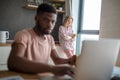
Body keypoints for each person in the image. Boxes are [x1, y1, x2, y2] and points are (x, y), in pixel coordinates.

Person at [7, 3, 76, 77]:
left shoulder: (50, 39)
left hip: (43, 78)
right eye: (46, 20)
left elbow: (56, 60)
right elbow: (14, 61)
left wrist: (69, 60)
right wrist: (53, 69)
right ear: (36, 18)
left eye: (53, 22)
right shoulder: (23, 35)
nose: (50, 25)